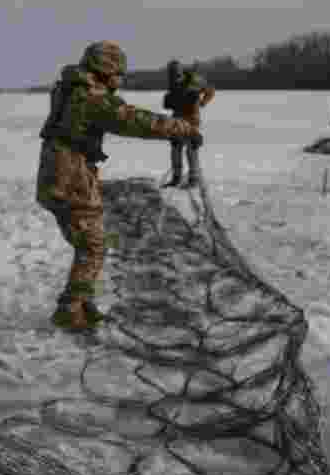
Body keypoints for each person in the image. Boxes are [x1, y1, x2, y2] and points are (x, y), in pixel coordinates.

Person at [37, 41, 202, 331]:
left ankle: (80, 300)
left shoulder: (71, 88)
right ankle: (70, 308)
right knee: (94, 244)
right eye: (118, 73)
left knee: (91, 240)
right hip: (69, 175)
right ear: (106, 69)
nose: (120, 80)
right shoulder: (91, 96)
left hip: (64, 171)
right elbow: (136, 121)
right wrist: (184, 128)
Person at [162, 60, 215, 189]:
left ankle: (193, 179)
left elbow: (210, 91)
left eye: (176, 73)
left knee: (191, 148)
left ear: (181, 71)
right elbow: (170, 101)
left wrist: (202, 102)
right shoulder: (172, 83)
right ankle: (176, 178)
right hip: (177, 118)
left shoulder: (195, 80)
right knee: (175, 148)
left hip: (192, 119)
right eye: (172, 74)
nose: (174, 76)